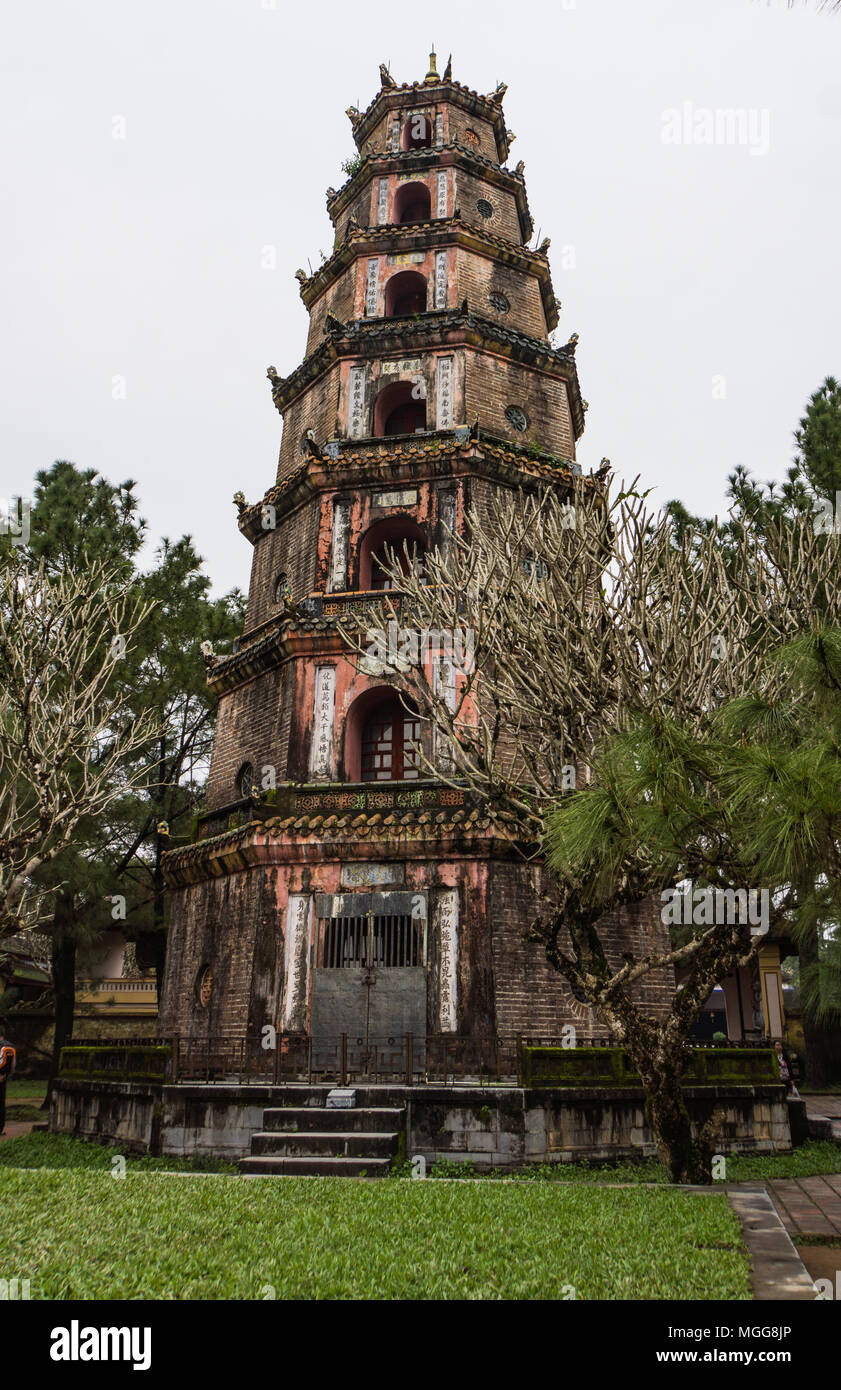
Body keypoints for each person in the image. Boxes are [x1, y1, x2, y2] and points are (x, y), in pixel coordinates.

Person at [0, 1025, 16, 1134]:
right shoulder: (10, 1046)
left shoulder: (2, 1047)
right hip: (3, 1078)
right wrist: (5, 1074)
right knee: (1, 1103)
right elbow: (13, 1065)